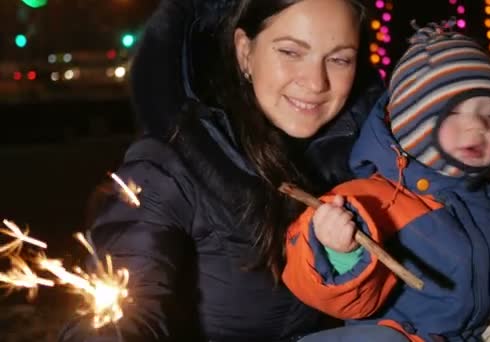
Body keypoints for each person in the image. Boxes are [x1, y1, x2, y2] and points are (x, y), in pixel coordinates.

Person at [58, 0, 384, 341]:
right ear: (244, 51)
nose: (316, 83)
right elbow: (119, 305)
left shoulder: (367, 160)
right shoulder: (171, 164)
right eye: (290, 52)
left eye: (339, 58)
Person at [282, 22, 490, 341]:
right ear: (414, 121)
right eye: (453, 113)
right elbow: (327, 291)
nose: (477, 126)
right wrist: (340, 250)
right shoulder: (373, 202)